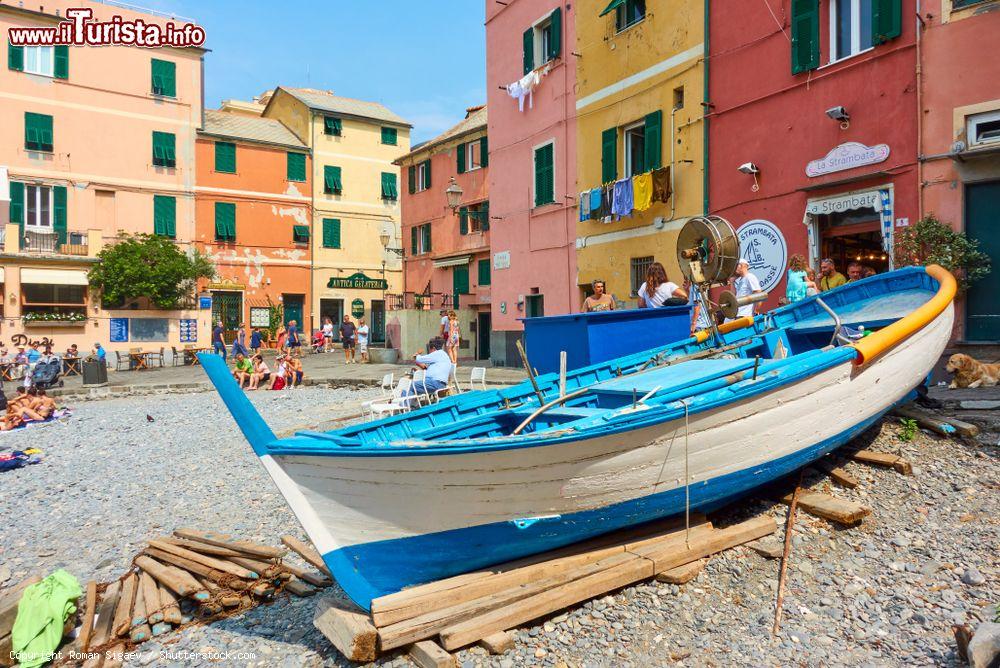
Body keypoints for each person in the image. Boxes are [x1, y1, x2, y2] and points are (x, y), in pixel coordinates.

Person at [727, 258, 763, 322]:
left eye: (736, 266)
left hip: (744, 315)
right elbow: (733, 296)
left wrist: (756, 311)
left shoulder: (750, 277)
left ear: (742, 265)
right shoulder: (741, 280)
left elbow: (759, 294)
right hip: (738, 315)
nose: (734, 269)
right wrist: (732, 282)